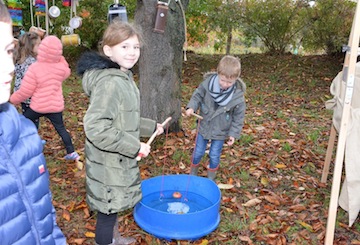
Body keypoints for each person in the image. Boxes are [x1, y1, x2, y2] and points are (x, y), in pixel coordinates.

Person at [76, 20, 164, 245]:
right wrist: (135, 146)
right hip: (108, 162)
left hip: (114, 158)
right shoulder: (111, 82)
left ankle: (114, 239)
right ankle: (105, 241)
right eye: (124, 47)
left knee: (111, 206)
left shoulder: (122, 76)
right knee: (107, 211)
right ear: (108, 50)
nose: (132, 52)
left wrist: (151, 127)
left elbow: (124, 118)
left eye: (135, 47)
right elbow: (96, 127)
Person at [0, 2, 66, 244]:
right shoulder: (32, 65)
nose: (8, 67)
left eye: (7, 50)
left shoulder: (25, 136)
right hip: (30, 103)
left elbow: (45, 217)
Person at [10, 35, 80, 161]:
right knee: (61, 129)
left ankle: (22, 148)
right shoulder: (60, 67)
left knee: (24, 123)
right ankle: (72, 152)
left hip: (38, 106)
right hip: (55, 106)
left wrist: (13, 99)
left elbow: (26, 90)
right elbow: (67, 71)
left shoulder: (35, 68)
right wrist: (60, 58)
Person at [185, 55, 246, 181]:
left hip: (221, 130)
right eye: (222, 80)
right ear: (218, 74)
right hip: (204, 125)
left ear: (236, 79)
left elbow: (238, 117)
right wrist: (191, 107)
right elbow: (197, 96)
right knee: (198, 152)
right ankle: (192, 174)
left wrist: (233, 134)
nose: (225, 84)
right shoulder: (207, 85)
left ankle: (210, 179)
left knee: (214, 155)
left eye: (230, 82)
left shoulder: (237, 97)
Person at [13, 31, 41, 128]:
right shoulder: (31, 62)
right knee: (32, 122)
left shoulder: (21, 58)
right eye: (39, 45)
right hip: (30, 97)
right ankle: (29, 138)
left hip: (23, 96)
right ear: (31, 47)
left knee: (29, 119)